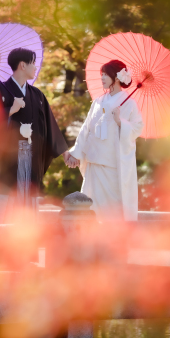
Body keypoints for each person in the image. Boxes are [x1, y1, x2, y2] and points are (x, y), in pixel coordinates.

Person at [0, 47, 68, 223]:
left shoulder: (37, 95)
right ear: (22, 65)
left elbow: (50, 126)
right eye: (32, 63)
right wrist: (10, 110)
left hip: (31, 157)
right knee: (4, 204)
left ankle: (27, 243)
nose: (35, 67)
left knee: (29, 206)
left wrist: (65, 152)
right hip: (7, 159)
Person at [63, 59, 144, 221]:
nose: (102, 78)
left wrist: (121, 122)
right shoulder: (98, 102)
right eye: (102, 75)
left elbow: (138, 128)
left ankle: (112, 243)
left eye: (106, 74)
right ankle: (92, 243)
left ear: (116, 77)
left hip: (112, 165)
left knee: (112, 210)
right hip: (94, 163)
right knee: (90, 207)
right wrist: (76, 153)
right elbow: (86, 129)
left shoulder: (129, 104)